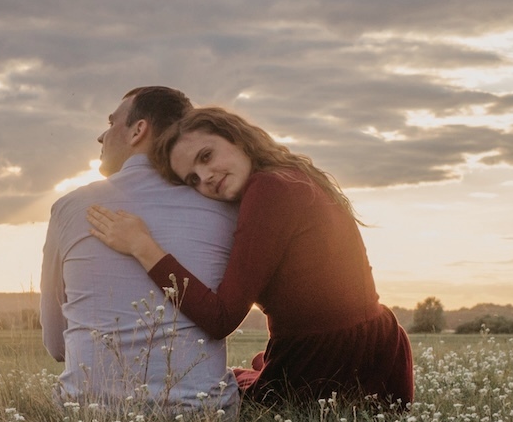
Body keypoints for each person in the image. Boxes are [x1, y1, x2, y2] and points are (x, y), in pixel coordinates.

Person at [86, 106, 413, 406]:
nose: (206, 177)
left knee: (223, 391)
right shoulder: (291, 176)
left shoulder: (269, 190)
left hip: (326, 368)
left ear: (236, 137)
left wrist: (143, 247)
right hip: (377, 351)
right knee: (245, 374)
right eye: (193, 179)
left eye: (206, 155)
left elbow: (221, 319)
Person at [40, 87, 240, 414]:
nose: (101, 137)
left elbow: (55, 345)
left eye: (111, 123)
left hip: (89, 414)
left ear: (138, 130)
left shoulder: (69, 207)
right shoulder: (223, 207)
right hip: (201, 416)